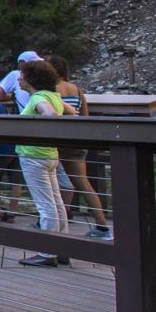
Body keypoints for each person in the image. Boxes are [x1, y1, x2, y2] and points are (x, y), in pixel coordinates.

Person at [48, 55, 110, 237]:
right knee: (83, 183)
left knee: (52, 183)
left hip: (58, 143)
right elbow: (84, 116)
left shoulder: (52, 91)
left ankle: (53, 223)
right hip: (76, 142)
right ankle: (102, 225)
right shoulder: (77, 90)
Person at [16, 59, 70, 267]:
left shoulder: (39, 97)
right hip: (49, 154)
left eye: (21, 75)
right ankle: (64, 248)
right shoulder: (54, 95)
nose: (19, 78)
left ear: (30, 79)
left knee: (45, 205)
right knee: (56, 202)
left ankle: (47, 253)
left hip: (33, 155)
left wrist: (41, 128)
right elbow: (72, 112)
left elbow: (50, 114)